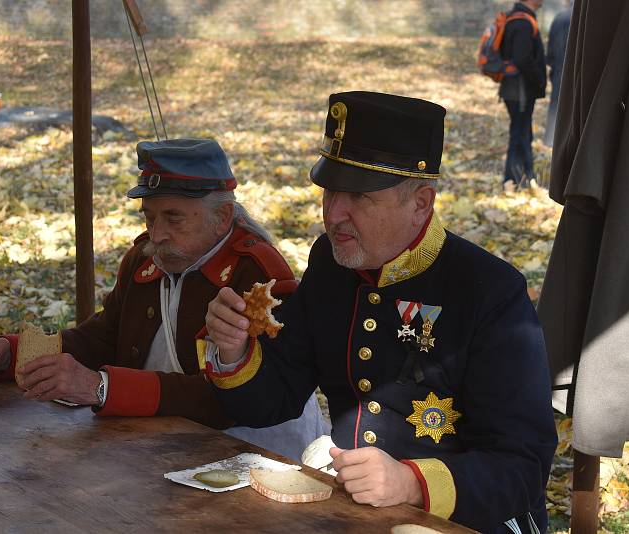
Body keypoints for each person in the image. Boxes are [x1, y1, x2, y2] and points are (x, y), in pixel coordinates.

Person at [202, 92, 557, 532]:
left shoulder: (489, 291)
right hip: (352, 514)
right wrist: (234, 351)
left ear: (421, 203)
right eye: (330, 192)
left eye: (358, 197)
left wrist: (411, 483)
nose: (334, 215)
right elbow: (274, 400)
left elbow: (523, 466)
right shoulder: (332, 264)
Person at [0, 138, 328, 461]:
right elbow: (102, 337)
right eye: (149, 216)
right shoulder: (146, 259)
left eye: (174, 218)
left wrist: (101, 387)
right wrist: (10, 354)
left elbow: (233, 400)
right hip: (160, 446)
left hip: (251, 455)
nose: (157, 233)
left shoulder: (259, 276)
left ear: (222, 217)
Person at [499, 0, 546, 187]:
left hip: (517, 89)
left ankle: (527, 175)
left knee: (523, 132)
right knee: (519, 133)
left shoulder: (519, 19)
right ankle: (513, 179)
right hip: (520, 91)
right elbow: (522, 59)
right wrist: (539, 78)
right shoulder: (522, 23)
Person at [543, 1, 572, 146]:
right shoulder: (588, 20)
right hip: (575, 76)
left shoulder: (560, 18)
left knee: (557, 109)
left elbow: (551, 53)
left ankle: (553, 140)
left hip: (559, 73)